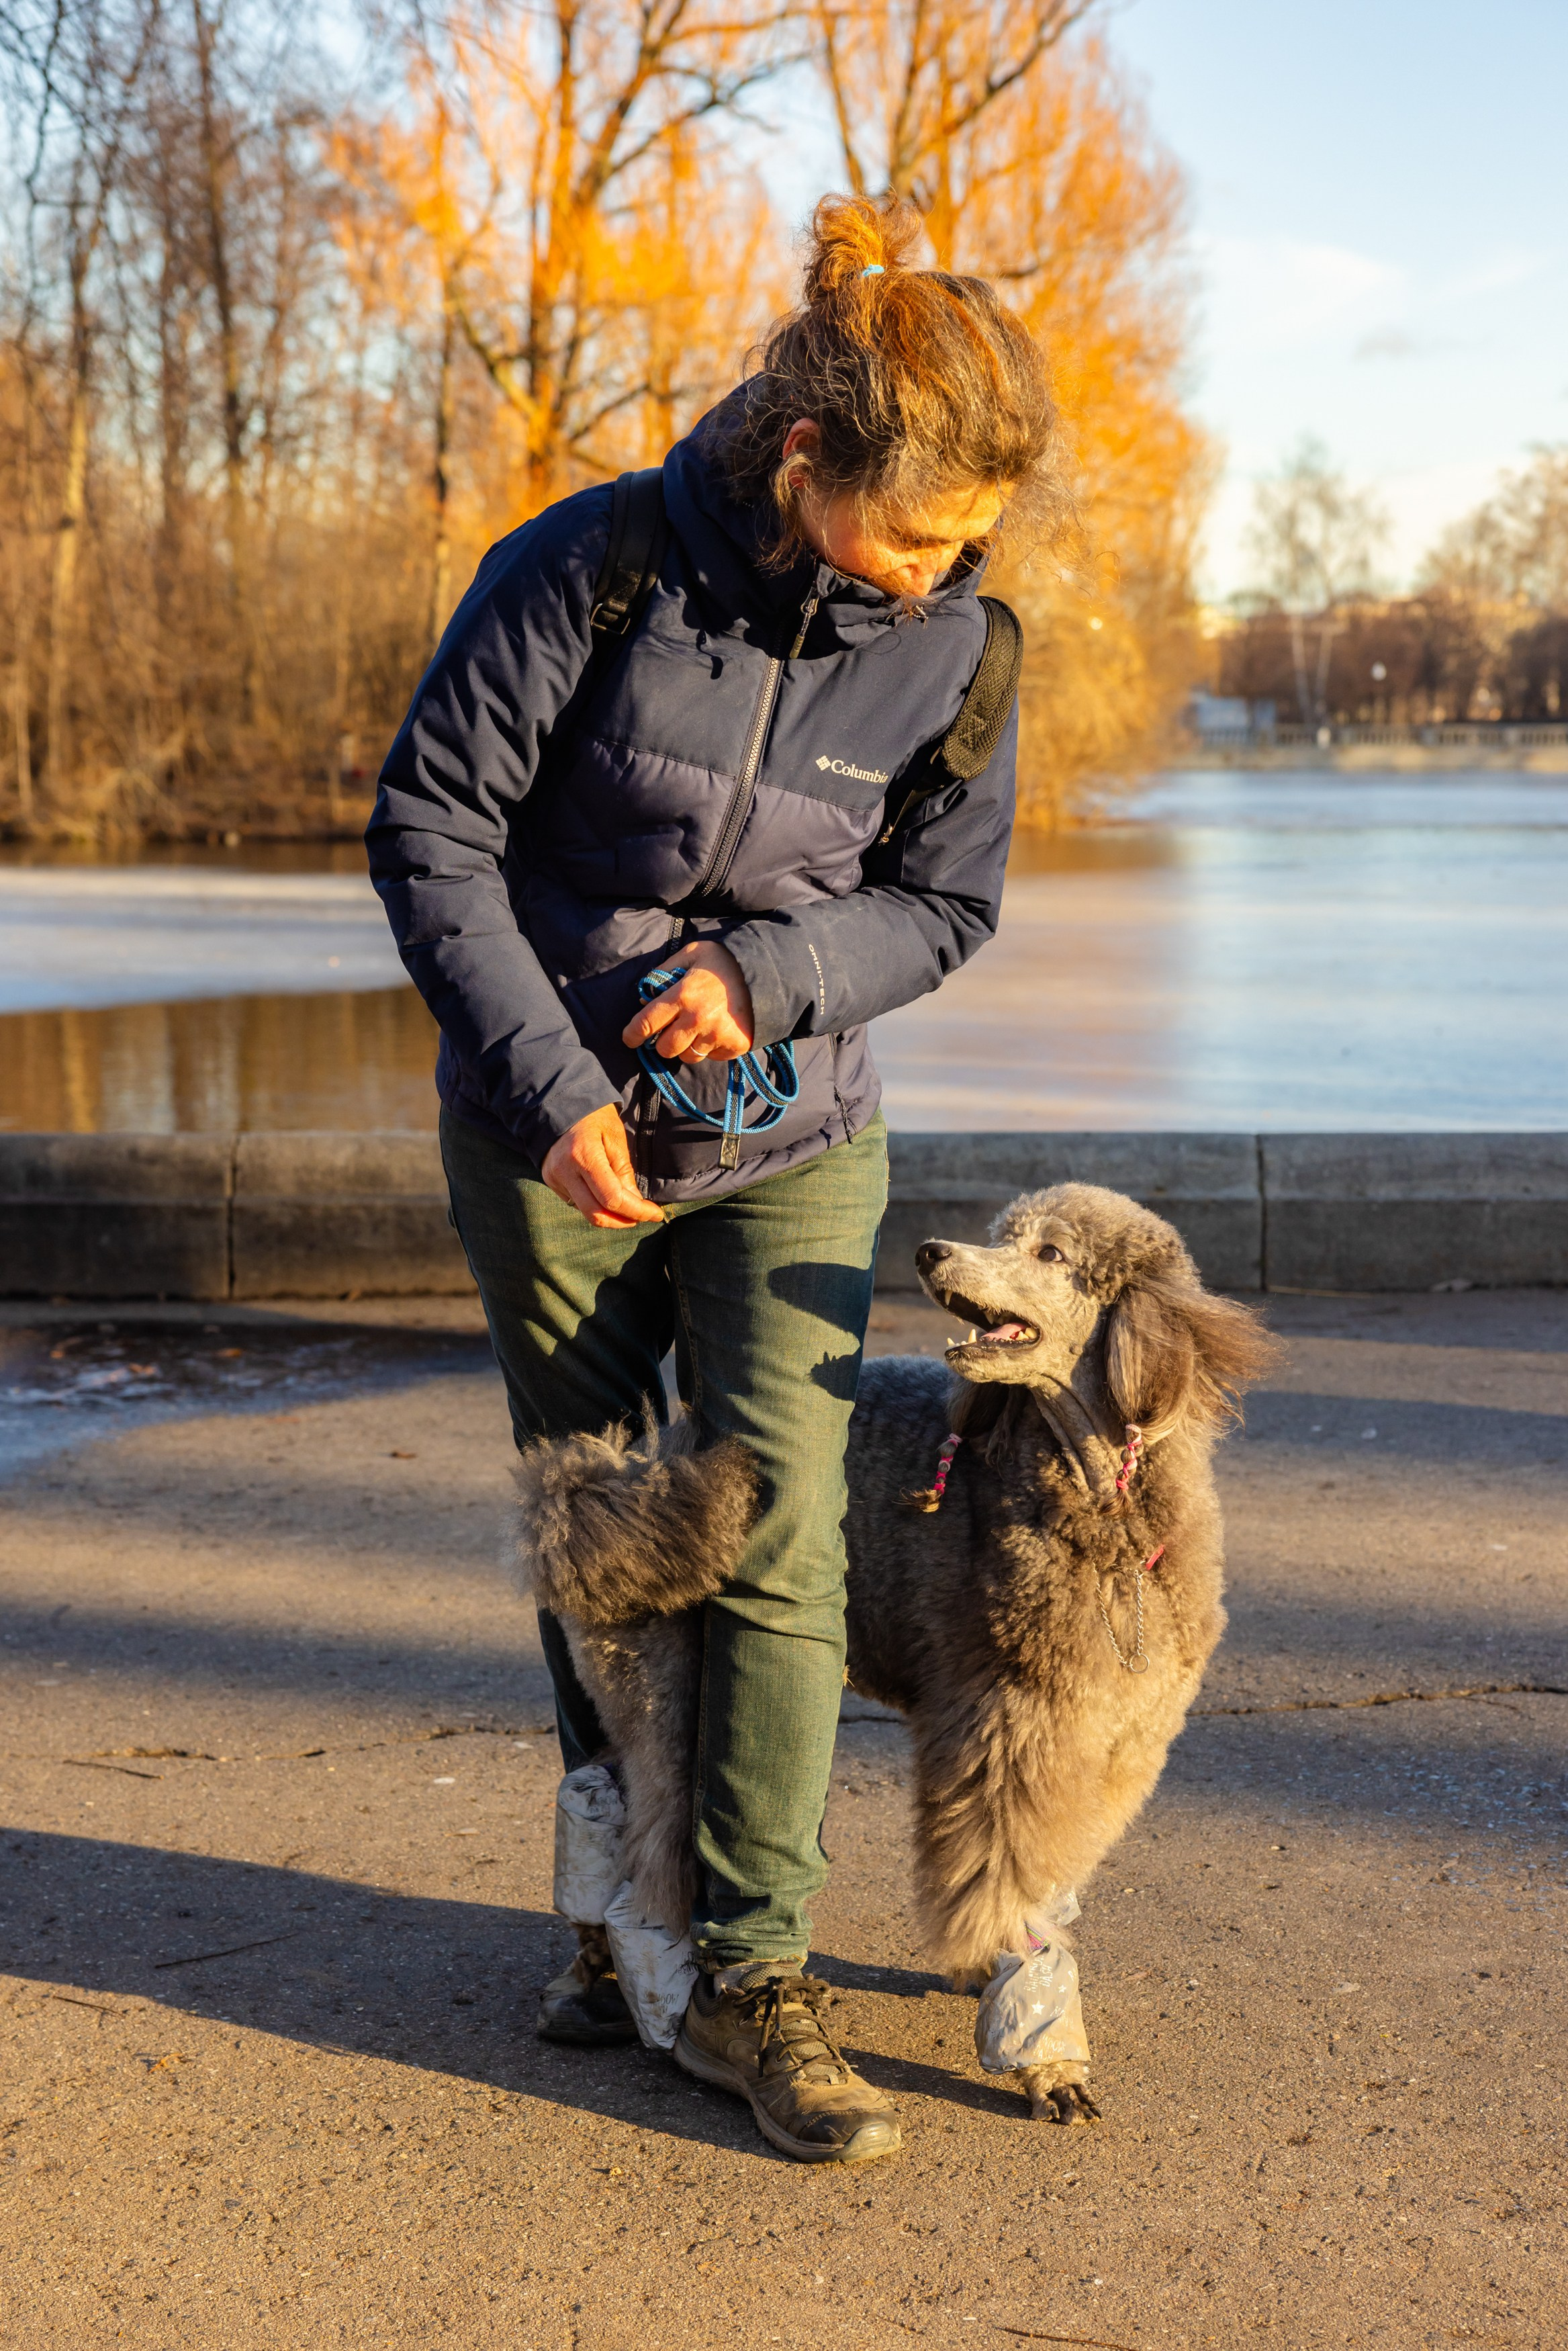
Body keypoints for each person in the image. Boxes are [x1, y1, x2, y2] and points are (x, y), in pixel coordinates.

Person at [366, 191, 1061, 2166]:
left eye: (976, 539)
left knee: (771, 1525)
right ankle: (614, 1909)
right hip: (549, 1124)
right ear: (804, 457)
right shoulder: (586, 572)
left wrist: (768, 973)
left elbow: (949, 902)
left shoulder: (961, 652)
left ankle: (755, 1972)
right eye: (924, 529)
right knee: (600, 1527)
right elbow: (430, 826)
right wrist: (549, 1082)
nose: (954, 567)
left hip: (795, 1139)